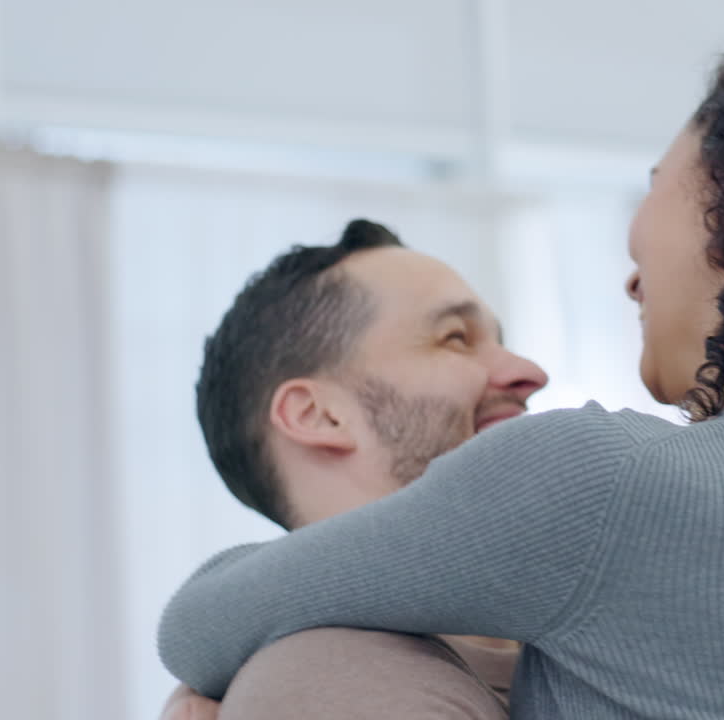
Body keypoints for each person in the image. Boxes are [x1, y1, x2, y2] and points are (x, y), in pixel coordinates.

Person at [159, 39, 724, 720]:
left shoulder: (606, 485)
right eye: (452, 338)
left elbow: (196, 622)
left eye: (653, 185)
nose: (631, 271)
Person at [160, 218, 549, 720]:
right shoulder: (324, 681)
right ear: (319, 415)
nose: (530, 372)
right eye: (455, 337)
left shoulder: (583, 629)